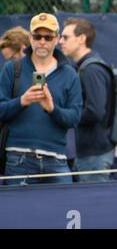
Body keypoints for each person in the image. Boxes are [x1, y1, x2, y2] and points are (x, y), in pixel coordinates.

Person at [0, 13, 82, 185]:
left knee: (62, 211)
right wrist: (22, 101)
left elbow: (74, 118)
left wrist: (52, 109)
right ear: (30, 37)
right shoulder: (12, 68)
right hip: (18, 158)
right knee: (19, 212)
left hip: (57, 159)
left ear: (57, 39)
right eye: (37, 36)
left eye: (48, 36)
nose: (42, 41)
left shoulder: (70, 74)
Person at [59, 18, 114, 182]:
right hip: (88, 153)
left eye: (65, 37)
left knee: (96, 206)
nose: (60, 41)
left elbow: (96, 111)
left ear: (82, 39)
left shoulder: (91, 69)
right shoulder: (84, 67)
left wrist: (66, 116)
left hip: (94, 154)